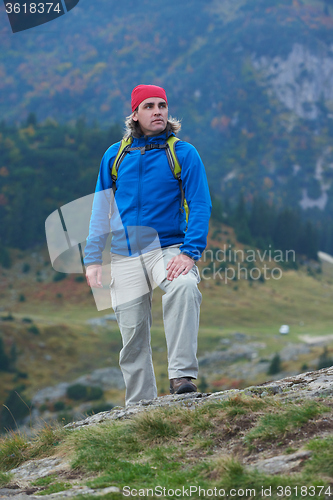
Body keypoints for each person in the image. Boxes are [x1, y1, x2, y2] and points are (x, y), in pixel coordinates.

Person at [84, 84, 211, 406]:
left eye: (162, 105)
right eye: (149, 106)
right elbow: (101, 209)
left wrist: (190, 252)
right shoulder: (115, 155)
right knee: (132, 336)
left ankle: (182, 375)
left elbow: (200, 204)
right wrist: (92, 259)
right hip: (123, 255)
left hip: (168, 248)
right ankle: (140, 406)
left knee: (184, 287)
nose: (158, 111)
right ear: (135, 114)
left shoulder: (182, 153)